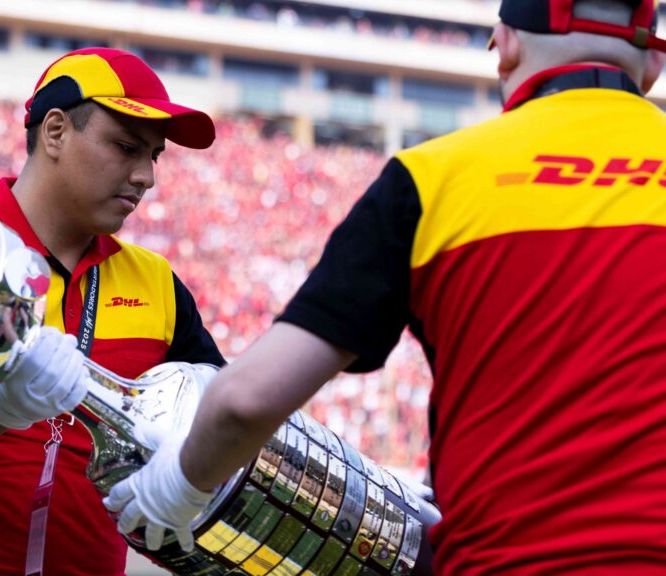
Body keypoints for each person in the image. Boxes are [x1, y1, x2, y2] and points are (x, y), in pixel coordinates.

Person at [105, 1, 666, 574]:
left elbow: (247, 400)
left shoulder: (434, 178)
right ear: (649, 66)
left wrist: (176, 487)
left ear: (509, 46)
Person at [0, 47, 225, 575]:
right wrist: (0, 405)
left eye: (153, 156)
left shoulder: (158, 283)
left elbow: (221, 417)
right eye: (127, 146)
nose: (146, 177)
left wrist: (184, 475)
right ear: (56, 131)